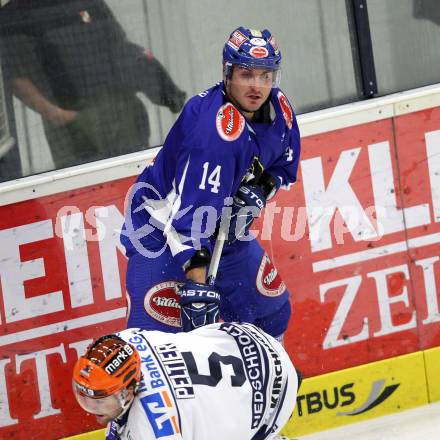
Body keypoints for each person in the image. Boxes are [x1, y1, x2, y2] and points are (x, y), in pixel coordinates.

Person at [121, 27, 301, 341]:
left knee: (269, 314)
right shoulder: (214, 135)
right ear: (227, 73)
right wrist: (197, 287)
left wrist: (258, 191)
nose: (257, 86)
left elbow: (282, 165)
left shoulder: (279, 109)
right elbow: (185, 225)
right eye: (246, 74)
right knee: (162, 342)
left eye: (265, 75)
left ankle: (266, 386)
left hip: (220, 226)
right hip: (160, 231)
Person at [0, 0, 186, 170]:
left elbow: (119, 45)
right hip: (73, 120)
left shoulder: (90, 2)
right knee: (82, 184)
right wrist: (58, 116)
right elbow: (17, 79)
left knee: (137, 175)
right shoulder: (14, 15)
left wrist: (158, 84)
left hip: (121, 107)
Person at [72, 321, 300, 439]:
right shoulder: (126, 340)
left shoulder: (152, 432)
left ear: (128, 392)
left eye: (100, 400)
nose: (91, 408)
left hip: (273, 395)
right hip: (245, 338)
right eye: (85, 396)